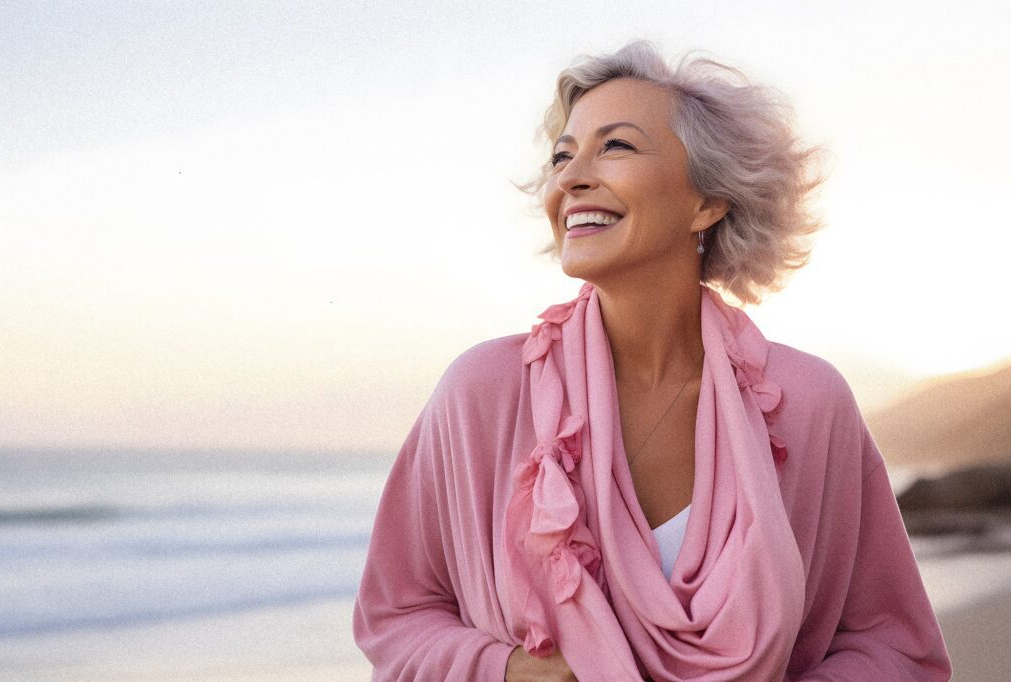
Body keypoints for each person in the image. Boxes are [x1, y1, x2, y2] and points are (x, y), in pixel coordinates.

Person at [353, 40, 952, 681]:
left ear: (708, 200)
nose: (572, 177)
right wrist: (505, 671)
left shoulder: (808, 401)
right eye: (563, 155)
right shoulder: (485, 391)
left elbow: (895, 647)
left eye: (616, 146)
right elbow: (396, 614)